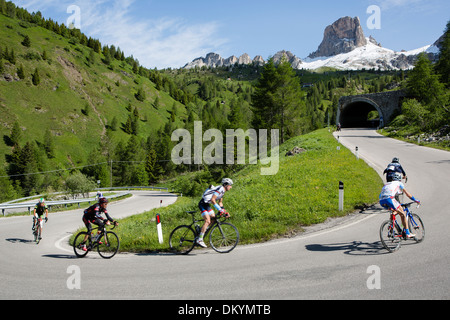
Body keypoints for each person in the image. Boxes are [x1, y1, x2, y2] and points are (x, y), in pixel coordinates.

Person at [379, 173, 420, 238]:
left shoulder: (387, 184)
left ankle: (391, 227)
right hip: (389, 199)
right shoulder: (399, 183)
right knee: (403, 214)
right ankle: (407, 233)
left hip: (381, 200)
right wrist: (415, 200)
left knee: (394, 211)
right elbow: (407, 194)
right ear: (400, 179)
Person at [196, 178, 233, 248]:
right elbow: (213, 200)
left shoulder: (223, 192)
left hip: (207, 205)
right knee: (207, 220)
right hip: (202, 204)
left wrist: (224, 212)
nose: (231, 187)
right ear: (226, 185)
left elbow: (220, 203)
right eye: (230, 185)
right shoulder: (220, 189)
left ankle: (201, 230)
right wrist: (220, 210)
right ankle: (200, 239)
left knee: (213, 219)